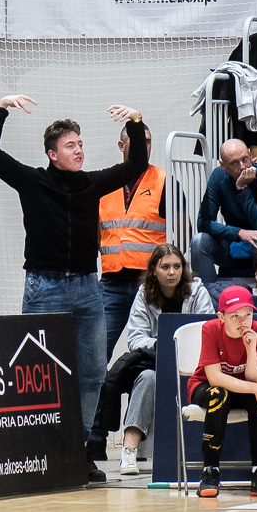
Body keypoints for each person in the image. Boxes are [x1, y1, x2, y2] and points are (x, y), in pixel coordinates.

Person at [0, 94, 144, 482]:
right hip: (44, 288)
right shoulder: (32, 180)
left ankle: (80, 451)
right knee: (37, 372)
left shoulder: (91, 183)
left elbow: (135, 164)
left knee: (92, 373)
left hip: (88, 289)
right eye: (70, 145)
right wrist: (1, 109)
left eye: (81, 144)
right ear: (53, 154)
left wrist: (135, 121)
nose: (79, 150)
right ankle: (39, 451)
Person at [108, 243, 213, 477]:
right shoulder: (144, 293)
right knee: (146, 378)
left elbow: (207, 330)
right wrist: (161, 344)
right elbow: (135, 338)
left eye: (177, 266)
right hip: (157, 361)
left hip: (194, 365)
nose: (172, 272)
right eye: (165, 267)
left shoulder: (197, 290)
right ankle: (129, 449)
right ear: (154, 270)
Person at [188, 285, 257, 499]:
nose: (243, 321)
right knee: (220, 394)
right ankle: (210, 471)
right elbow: (215, 378)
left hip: (241, 387)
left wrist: (251, 349)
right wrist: (256, 388)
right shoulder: (211, 329)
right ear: (221, 317)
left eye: (248, 314)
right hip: (205, 386)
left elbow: (255, 379)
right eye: (235, 316)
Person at [98, 122, 166, 357]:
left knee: (157, 353)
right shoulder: (106, 181)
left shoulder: (163, 180)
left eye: (147, 141)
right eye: (137, 141)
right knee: (95, 355)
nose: (144, 146)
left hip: (150, 284)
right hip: (111, 283)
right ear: (121, 145)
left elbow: (181, 232)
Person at [191, 138, 257, 285]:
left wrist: (243, 189)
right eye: (234, 163)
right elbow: (204, 223)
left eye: (245, 159)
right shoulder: (218, 176)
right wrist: (239, 232)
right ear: (223, 165)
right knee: (199, 241)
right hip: (232, 242)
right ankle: (206, 295)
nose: (243, 167)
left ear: (250, 155)